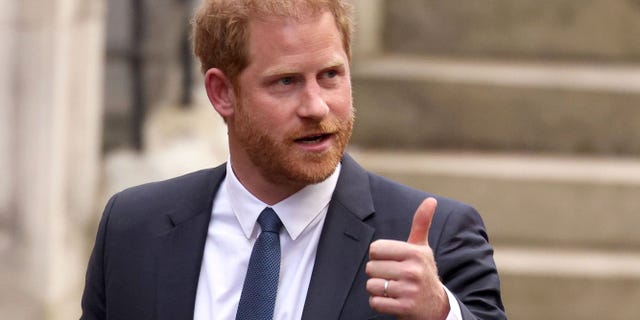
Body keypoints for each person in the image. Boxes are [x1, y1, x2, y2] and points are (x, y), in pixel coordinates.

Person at [80, 0, 506, 319]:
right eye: (286, 82)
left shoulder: (435, 238)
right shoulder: (133, 227)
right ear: (221, 93)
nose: (317, 107)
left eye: (330, 75)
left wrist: (440, 310)